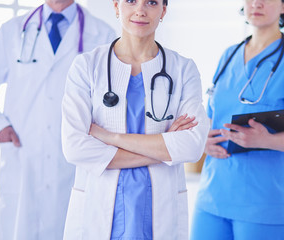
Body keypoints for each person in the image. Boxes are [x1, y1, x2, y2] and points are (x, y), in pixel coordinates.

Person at [0, 0, 115, 239]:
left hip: (75, 158)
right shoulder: (13, 31)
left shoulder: (102, 34)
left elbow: (112, 100)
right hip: (24, 154)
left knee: (72, 226)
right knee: (20, 227)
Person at [61, 0, 208, 239]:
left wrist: (111, 138)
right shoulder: (86, 67)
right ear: (116, 5)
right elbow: (75, 148)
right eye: (131, 1)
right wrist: (165, 148)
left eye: (151, 2)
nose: (140, 10)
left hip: (158, 211)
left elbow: (191, 147)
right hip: (99, 209)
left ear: (163, 10)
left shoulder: (183, 70)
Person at [190, 0, 284, 239]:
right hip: (212, 198)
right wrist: (203, 142)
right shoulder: (228, 56)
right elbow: (211, 120)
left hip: (265, 205)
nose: (256, 3)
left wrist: (266, 140)